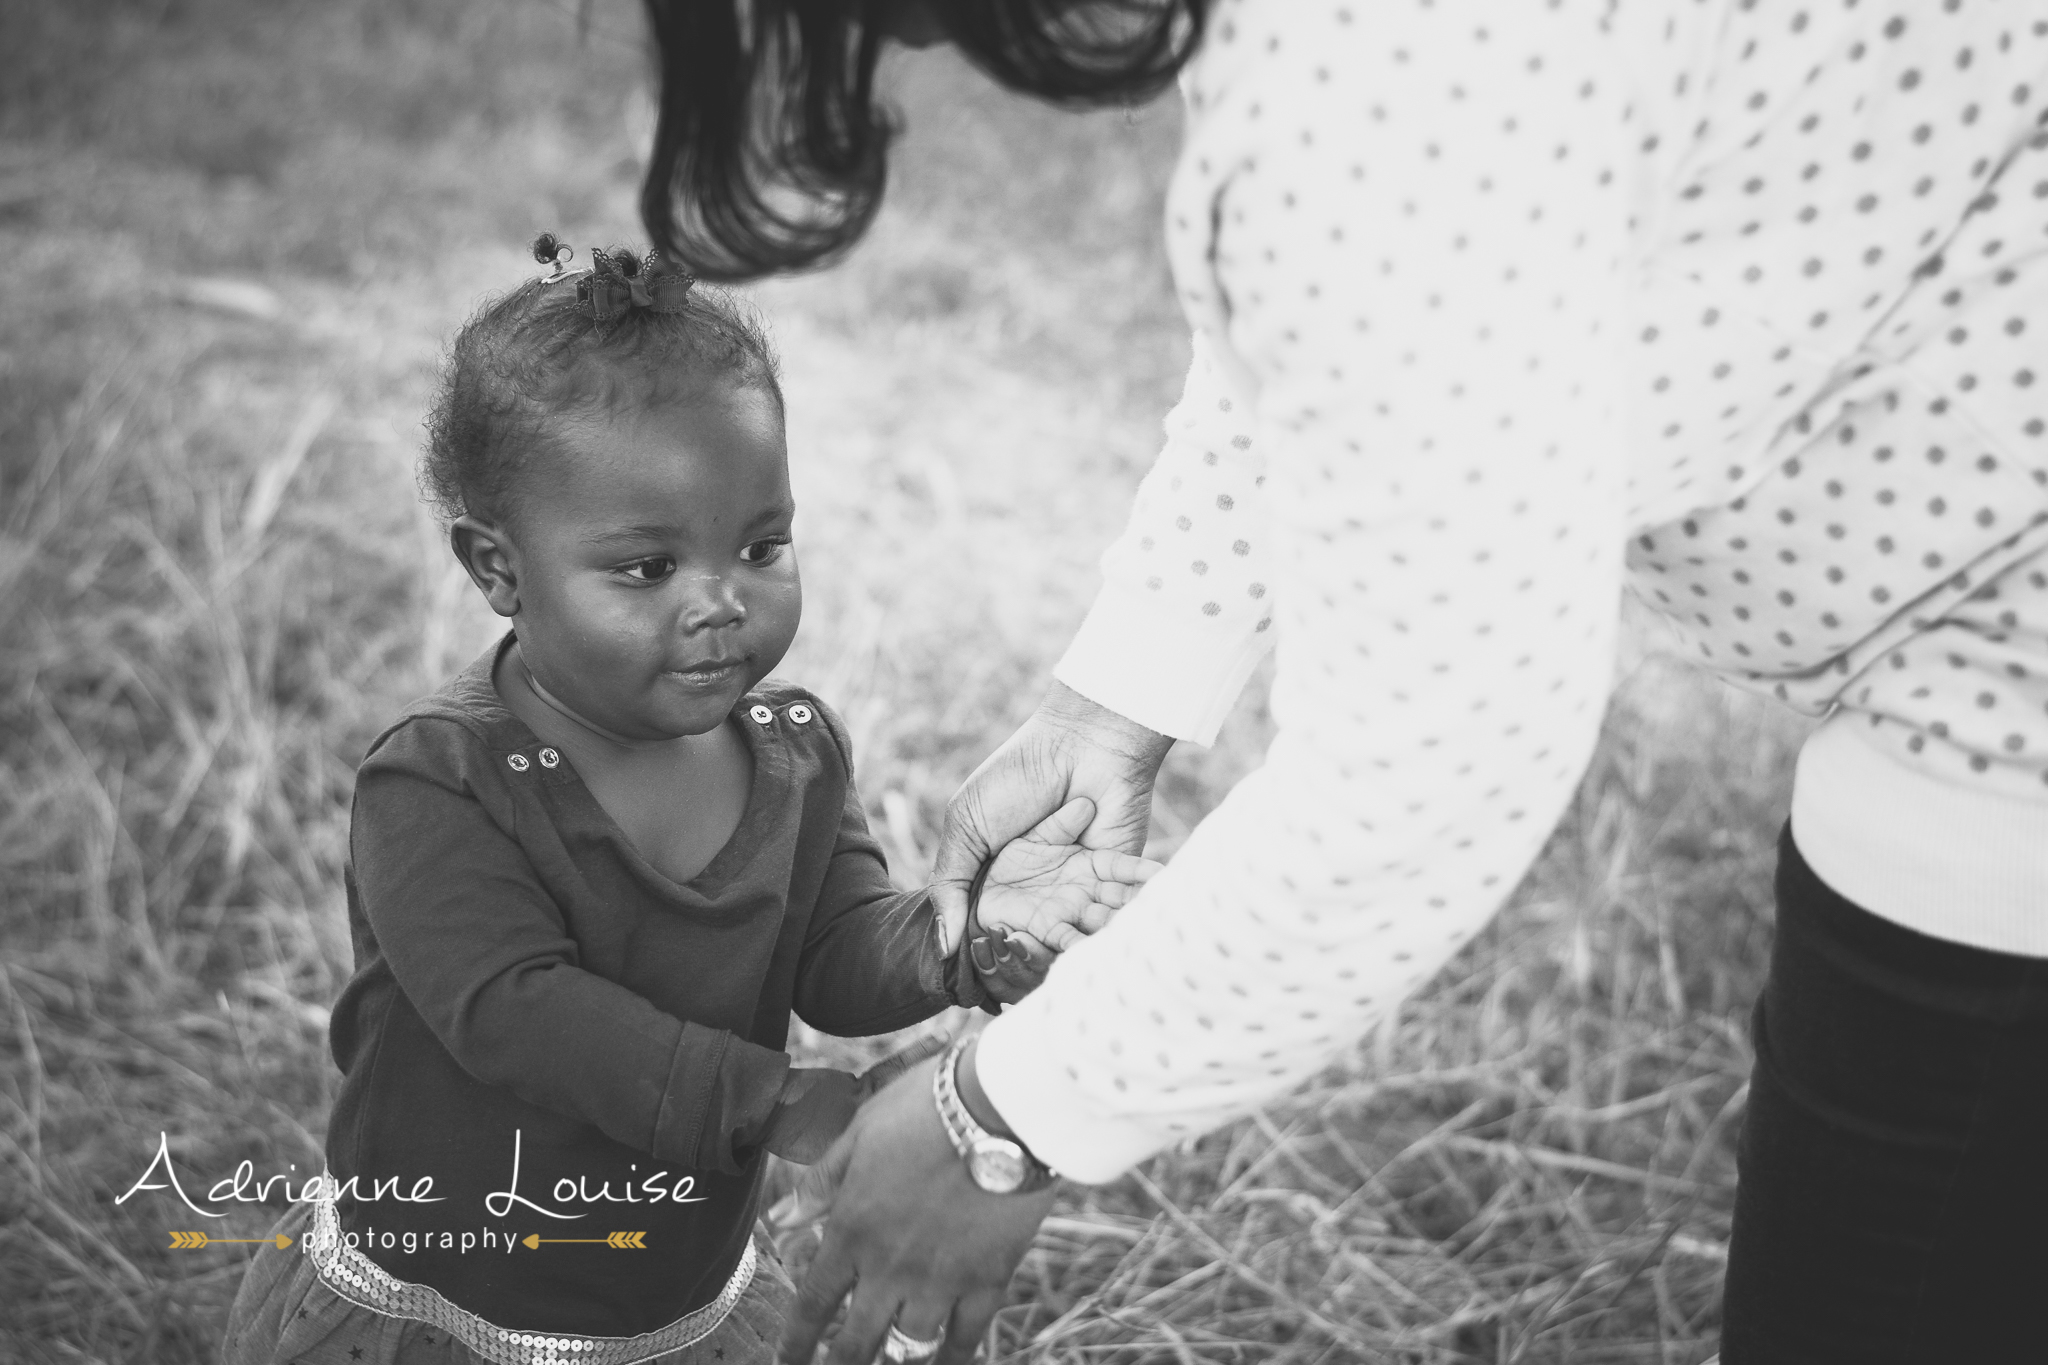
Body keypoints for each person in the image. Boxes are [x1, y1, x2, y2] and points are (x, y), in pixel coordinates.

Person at [633, 2, 2048, 1363]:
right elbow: (1349, 329)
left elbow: (1435, 766)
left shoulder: (1382, 73)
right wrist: (1120, 694)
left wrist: (1003, 1115)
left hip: (2004, 690)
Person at [219, 237, 1160, 1365]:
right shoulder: (440, 780)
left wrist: (962, 937)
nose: (720, 602)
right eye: (646, 568)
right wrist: (787, 1105)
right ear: (497, 568)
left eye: (761, 545)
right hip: (448, 1299)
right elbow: (519, 1016)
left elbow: (834, 953)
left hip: (670, 1303)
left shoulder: (791, 751)